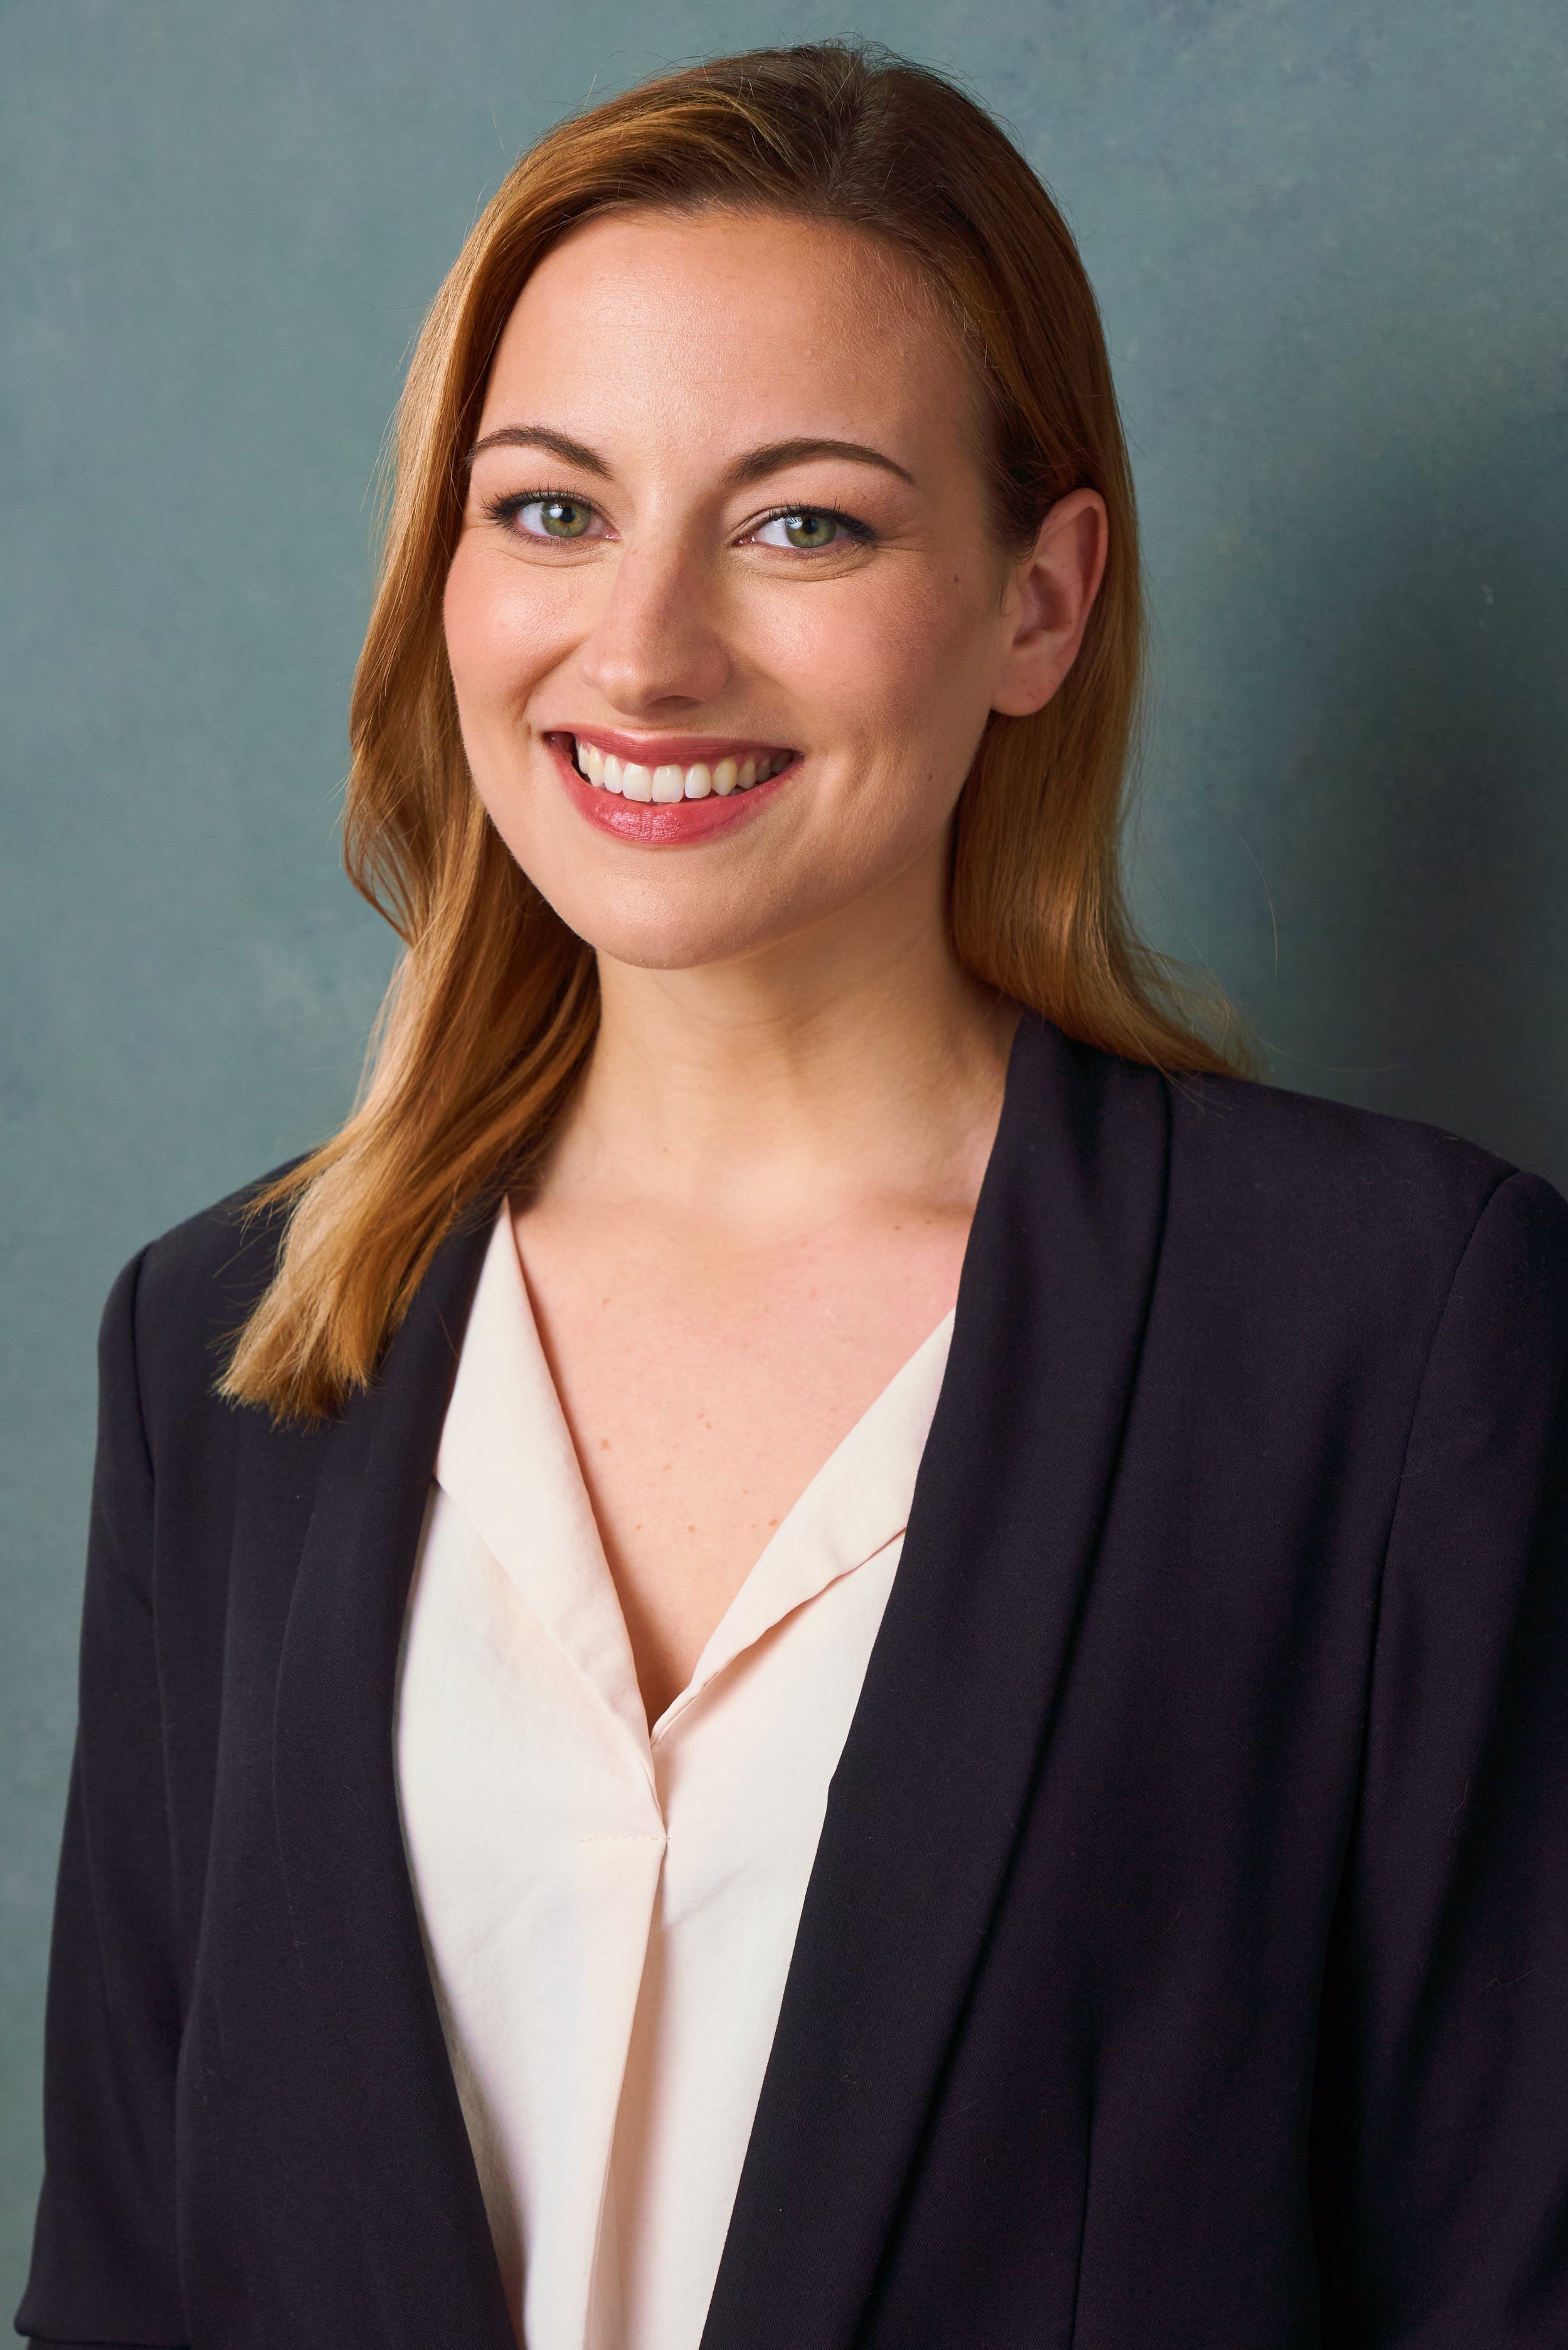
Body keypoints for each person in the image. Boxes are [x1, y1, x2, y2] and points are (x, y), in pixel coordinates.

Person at [18, 40, 1568, 2350]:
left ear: (1038, 604)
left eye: (800, 522)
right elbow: (133, 2293)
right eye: (549, 508)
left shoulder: (1389, 1339)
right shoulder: (231, 1351)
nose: (639, 649)